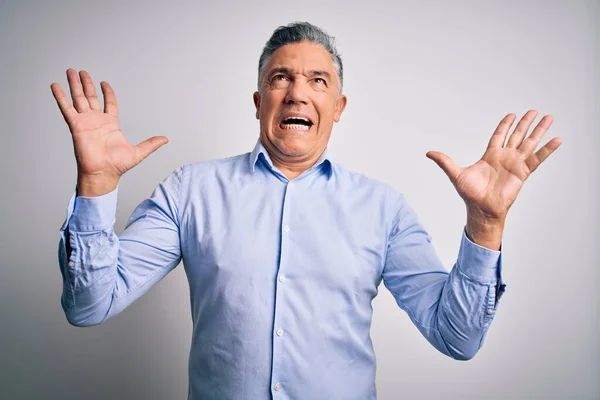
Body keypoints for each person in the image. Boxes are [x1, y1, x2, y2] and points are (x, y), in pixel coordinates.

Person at [51, 22, 561, 400]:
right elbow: (90, 305)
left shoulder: (383, 209)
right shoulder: (190, 191)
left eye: (318, 80)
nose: (297, 91)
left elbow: (458, 337)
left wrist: (487, 223)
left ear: (338, 107)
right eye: (280, 78)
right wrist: (96, 184)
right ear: (258, 101)